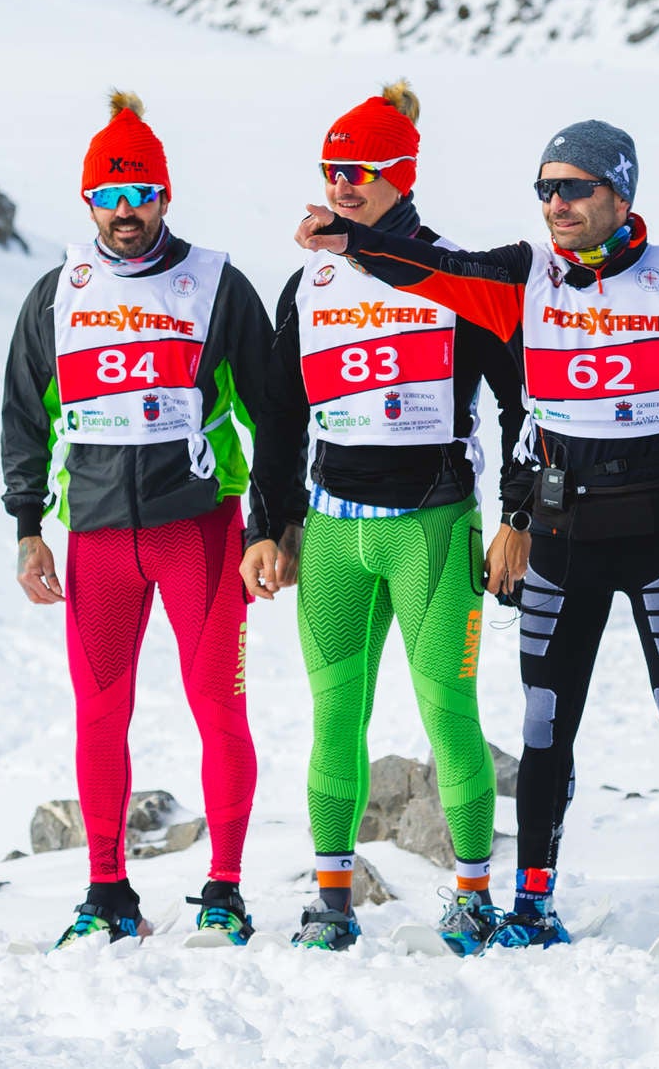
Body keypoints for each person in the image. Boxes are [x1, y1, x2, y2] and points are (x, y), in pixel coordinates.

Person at [294, 119, 659, 953]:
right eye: (545, 188)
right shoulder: (520, 274)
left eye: (574, 187)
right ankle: (532, 902)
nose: (556, 203)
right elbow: (432, 268)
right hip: (565, 533)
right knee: (544, 724)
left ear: (621, 192)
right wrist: (351, 240)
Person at [239, 81, 526, 954]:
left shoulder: (454, 275)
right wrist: (268, 523)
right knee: (334, 715)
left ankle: (473, 894)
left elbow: (521, 400)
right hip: (332, 532)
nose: (342, 185)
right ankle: (332, 898)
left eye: (360, 170)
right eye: (331, 171)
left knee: (449, 711)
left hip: (432, 529)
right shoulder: (310, 280)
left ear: (401, 175)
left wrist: (516, 515)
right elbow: (282, 415)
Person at [0, 92, 288, 949]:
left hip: (197, 531)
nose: (127, 213)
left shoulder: (217, 287)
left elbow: (277, 413)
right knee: (99, 714)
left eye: (143, 194)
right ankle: (107, 893)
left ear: (167, 196)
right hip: (94, 540)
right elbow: (25, 417)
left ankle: (225, 891)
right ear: (88, 202)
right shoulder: (58, 294)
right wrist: (27, 526)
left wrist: (273, 526)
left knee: (218, 710)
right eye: (110, 197)